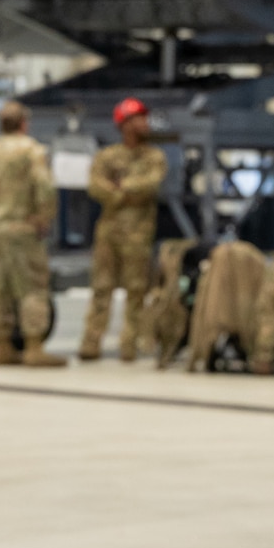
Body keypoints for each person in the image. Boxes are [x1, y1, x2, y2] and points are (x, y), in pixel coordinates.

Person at [0, 101, 65, 368]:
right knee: (32, 286)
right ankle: (34, 346)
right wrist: (43, 218)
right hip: (22, 228)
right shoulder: (31, 150)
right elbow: (44, 185)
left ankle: (3, 346)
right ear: (24, 123)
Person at [81, 98, 166, 362]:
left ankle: (130, 344)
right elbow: (95, 186)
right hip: (108, 232)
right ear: (124, 124)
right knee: (101, 288)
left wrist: (120, 187)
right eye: (138, 118)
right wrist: (122, 194)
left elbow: (150, 184)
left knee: (137, 289)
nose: (144, 123)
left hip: (139, 233)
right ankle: (91, 342)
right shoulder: (106, 157)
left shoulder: (154, 157)